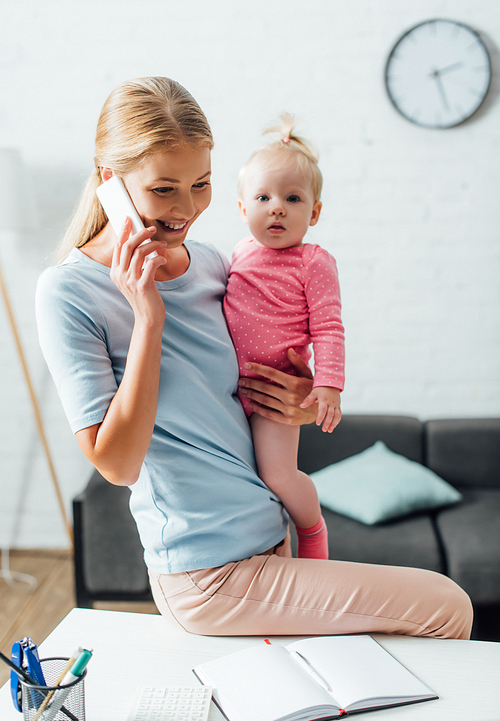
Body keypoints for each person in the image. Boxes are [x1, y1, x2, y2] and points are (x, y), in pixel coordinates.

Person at [36, 77, 473, 639]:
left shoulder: (215, 263)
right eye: (163, 190)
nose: (186, 210)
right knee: (446, 604)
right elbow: (117, 465)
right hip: (207, 571)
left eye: (201, 185)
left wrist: (301, 397)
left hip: (272, 534)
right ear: (109, 183)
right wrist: (148, 318)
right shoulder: (69, 292)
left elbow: (254, 389)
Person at [224, 115, 344, 560]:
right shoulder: (236, 252)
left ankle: (311, 529)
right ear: (242, 209)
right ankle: (274, 551)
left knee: (277, 474)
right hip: (229, 390)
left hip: (276, 391)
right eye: (263, 197)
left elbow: (328, 326)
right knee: (249, 483)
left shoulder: (313, 261)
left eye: (292, 199)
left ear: (313, 213)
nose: (277, 207)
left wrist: (328, 384)